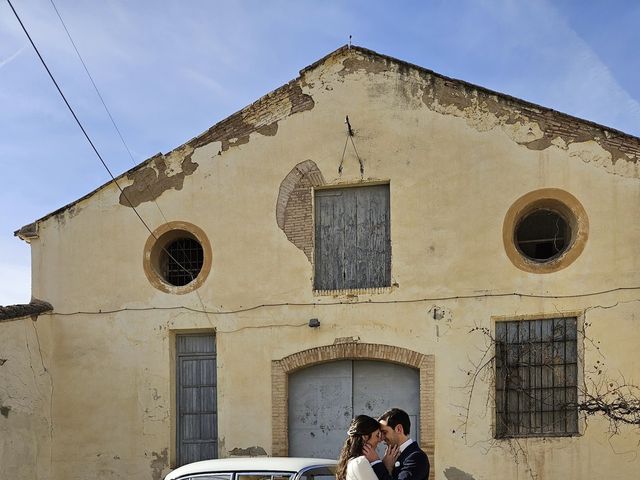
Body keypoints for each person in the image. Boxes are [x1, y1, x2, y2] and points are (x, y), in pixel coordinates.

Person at [363, 408, 430, 480]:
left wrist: (376, 462)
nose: (381, 438)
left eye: (384, 432)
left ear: (399, 429)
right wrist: (386, 468)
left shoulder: (416, 457)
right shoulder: (391, 456)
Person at [336, 415, 383, 480]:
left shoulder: (351, 461)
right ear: (365, 437)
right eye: (377, 435)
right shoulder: (360, 462)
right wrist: (378, 463)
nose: (380, 440)